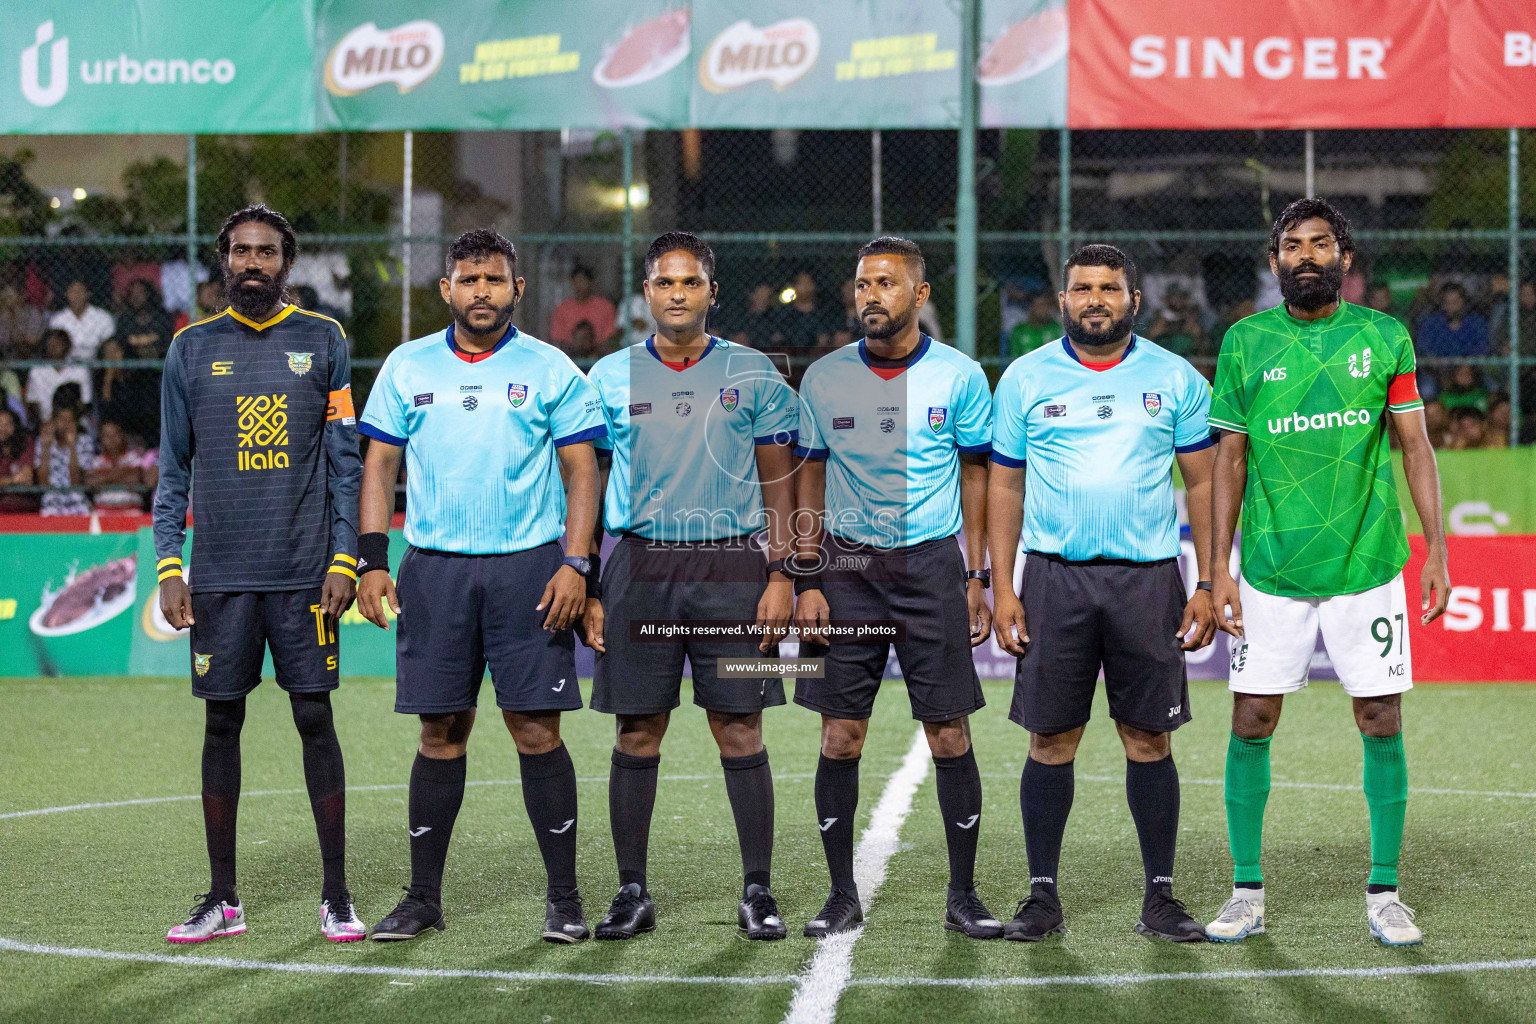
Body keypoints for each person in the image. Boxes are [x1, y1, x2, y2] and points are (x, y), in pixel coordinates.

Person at [1205, 197, 1449, 947]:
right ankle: (1247, 891)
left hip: (1368, 563)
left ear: (1345, 256)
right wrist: (1217, 569)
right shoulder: (1245, 342)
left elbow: (1414, 447)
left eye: (1320, 244)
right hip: (1272, 567)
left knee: (1380, 717)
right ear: (1275, 260)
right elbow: (1229, 461)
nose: (1305, 256)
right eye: (1291, 245)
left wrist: (1437, 546)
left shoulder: (1384, 337)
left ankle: (1385, 891)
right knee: (1252, 718)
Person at [356, 228, 605, 945]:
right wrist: (373, 560)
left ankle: (564, 899)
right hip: (435, 570)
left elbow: (581, 472)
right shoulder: (407, 367)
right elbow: (378, 469)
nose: (482, 292)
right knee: (440, 731)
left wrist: (576, 565)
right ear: (447, 290)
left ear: (517, 289)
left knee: (536, 730)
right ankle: (422, 898)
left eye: (494, 280)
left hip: (529, 569)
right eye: (468, 279)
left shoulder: (551, 367)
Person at [988, 244, 1218, 943]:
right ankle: (1041, 897)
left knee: (1148, 738)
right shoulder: (1025, 378)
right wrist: (1002, 587)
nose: (1095, 299)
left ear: (1134, 301)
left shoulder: (1174, 378)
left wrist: (1208, 581)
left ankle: (1160, 899)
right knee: (1051, 738)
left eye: (1109, 289)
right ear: (1062, 301)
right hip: (1054, 579)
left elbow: (1204, 483)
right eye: (1082, 288)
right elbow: (1003, 484)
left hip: (1148, 580)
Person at [154, 204, 365, 944]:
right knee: (221, 721)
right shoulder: (188, 350)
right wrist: (169, 566)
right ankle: (223, 899)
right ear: (222, 259)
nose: (252, 262)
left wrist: (347, 559)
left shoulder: (324, 339)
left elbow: (346, 465)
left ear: (287, 261)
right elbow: (172, 470)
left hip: (306, 574)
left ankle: (336, 895)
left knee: (315, 718)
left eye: (266, 252)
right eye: (240, 250)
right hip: (218, 577)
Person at [584, 232, 798, 941]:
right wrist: (589, 583)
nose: (677, 293)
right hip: (640, 568)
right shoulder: (609, 378)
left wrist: (780, 574)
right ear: (646, 292)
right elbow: (587, 487)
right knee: (638, 727)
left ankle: (758, 891)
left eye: (691, 282)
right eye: (664, 282)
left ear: (712, 292)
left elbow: (779, 481)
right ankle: (631, 892)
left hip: (733, 570)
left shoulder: (754, 370)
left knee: (739, 724)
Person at [791, 236, 1000, 940]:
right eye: (860, 284)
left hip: (931, 567)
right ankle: (840, 893)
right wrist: (808, 576)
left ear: (919, 295)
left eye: (885, 283)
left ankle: (963, 895)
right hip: (847, 573)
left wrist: (977, 575)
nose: (869, 295)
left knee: (948, 732)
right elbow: (808, 477)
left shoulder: (961, 375)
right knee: (841, 734)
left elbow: (977, 475)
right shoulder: (822, 378)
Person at [36, 391, 94, 516]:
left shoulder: (84, 441)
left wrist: (72, 446)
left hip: (77, 499)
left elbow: (76, 483)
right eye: (61, 419)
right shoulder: (43, 441)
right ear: (54, 422)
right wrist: (46, 448)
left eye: (69, 420)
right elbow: (43, 484)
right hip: (51, 499)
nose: (65, 424)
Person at [95, 337, 160, 446]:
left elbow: (148, 412)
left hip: (141, 431)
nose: (111, 358)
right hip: (116, 433)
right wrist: (108, 379)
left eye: (115, 352)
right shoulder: (102, 378)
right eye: (108, 353)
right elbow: (104, 412)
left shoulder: (143, 375)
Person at [25, 329, 92, 424]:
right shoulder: (37, 370)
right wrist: (46, 423)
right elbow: (33, 402)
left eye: (58, 344)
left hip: (75, 422)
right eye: (50, 344)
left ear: (67, 346)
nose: (53, 347)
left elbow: (85, 403)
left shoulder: (79, 369)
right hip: (46, 422)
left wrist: (67, 422)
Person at [87, 419, 154, 511]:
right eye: (107, 436)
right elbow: (91, 482)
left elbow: (136, 478)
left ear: (122, 436)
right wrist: (125, 474)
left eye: (115, 435)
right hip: (103, 510)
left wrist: (104, 477)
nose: (111, 439)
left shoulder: (134, 457)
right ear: (101, 439)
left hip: (131, 509)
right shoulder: (96, 461)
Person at [549, 264, 617, 348]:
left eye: (582, 281)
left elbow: (610, 339)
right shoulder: (563, 308)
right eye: (576, 282)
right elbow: (558, 339)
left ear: (591, 283)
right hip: (570, 354)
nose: (579, 286)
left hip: (598, 355)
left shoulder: (605, 307)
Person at [1415, 281, 1489, 359]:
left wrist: (1468, 367)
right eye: (1447, 303)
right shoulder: (1431, 324)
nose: (1451, 307)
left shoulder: (1476, 323)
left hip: (1468, 368)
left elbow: (1481, 351)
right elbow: (1425, 353)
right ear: (1442, 304)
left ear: (1464, 302)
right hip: (1438, 368)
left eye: (1455, 302)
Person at [49, 279, 116, 362]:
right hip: (66, 362)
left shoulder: (102, 316)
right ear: (66, 294)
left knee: (113, 347)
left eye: (80, 291)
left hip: (96, 362)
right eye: (73, 291)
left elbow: (109, 342)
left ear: (88, 294)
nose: (77, 295)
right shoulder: (58, 319)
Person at [776, 270, 837, 349]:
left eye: (808, 282)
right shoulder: (785, 314)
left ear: (813, 286)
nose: (805, 286)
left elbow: (824, 341)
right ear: (795, 287)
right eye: (801, 283)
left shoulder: (823, 314)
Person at [1144, 282, 1206, 357]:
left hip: (1187, 360)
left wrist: (1198, 336)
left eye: (1182, 297)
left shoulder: (1191, 319)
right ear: (1167, 299)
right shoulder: (1156, 318)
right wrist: (1153, 334)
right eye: (1175, 297)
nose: (1179, 300)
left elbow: (1203, 348)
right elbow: (1142, 345)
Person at [120, 279, 175, 359]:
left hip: (159, 353)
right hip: (132, 354)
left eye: (140, 293)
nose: (136, 297)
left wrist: (140, 340)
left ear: (149, 294)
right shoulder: (125, 317)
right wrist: (147, 339)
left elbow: (164, 337)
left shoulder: (162, 315)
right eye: (133, 293)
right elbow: (123, 338)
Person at [0, 407, 36, 512]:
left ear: (15, 426)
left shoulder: (25, 444)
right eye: (0, 424)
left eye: (8, 424)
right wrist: (12, 480)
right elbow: (18, 479)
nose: (2, 428)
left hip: (23, 510)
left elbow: (26, 477)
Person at [1007, 293, 1063, 359]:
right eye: (1040, 305)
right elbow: (1014, 357)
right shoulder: (1019, 330)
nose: (1044, 309)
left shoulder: (1055, 328)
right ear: (1031, 308)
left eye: (1046, 306)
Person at [0, 283, 46, 357]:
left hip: (31, 353)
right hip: (6, 354)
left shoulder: (32, 313)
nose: (9, 300)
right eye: (6, 296)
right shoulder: (3, 316)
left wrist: (14, 322)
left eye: (11, 296)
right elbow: (3, 340)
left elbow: (33, 340)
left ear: (21, 296)